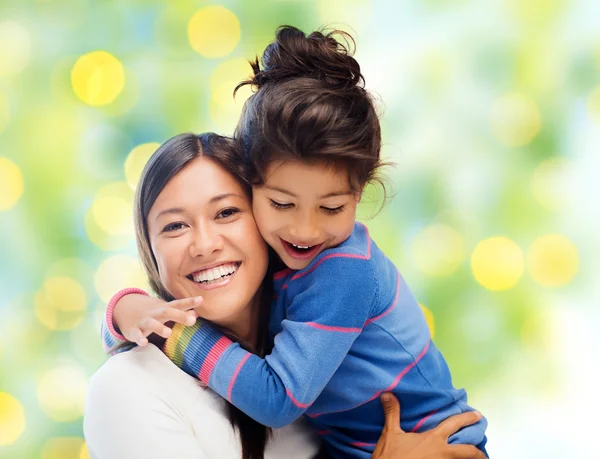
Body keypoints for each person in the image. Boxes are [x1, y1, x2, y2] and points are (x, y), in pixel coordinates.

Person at [102, 27, 489, 458]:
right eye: (283, 204)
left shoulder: (343, 270)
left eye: (331, 208)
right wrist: (125, 309)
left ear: (360, 194)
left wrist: (172, 333)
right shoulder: (279, 263)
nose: (305, 231)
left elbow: (276, 400)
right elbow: (135, 332)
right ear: (253, 186)